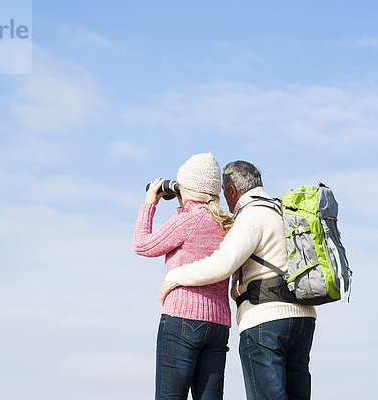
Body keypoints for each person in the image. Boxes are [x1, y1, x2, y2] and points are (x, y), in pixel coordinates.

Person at [161, 161, 317, 400]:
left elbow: (222, 264)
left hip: (266, 320)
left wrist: (174, 277)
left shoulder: (252, 214)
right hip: (303, 318)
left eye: (225, 194)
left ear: (232, 190)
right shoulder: (281, 209)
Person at [133, 153, 234, 400]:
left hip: (182, 319)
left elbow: (142, 245)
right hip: (219, 324)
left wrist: (149, 203)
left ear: (186, 187)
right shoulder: (228, 225)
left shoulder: (189, 221)